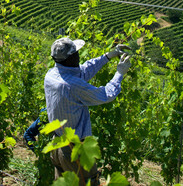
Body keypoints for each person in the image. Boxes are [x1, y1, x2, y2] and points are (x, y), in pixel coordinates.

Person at [44, 37, 131, 185]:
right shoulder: (71, 85)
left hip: (57, 144)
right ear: (70, 58)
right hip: (75, 150)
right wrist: (120, 73)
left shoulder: (51, 75)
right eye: (76, 53)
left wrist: (109, 56)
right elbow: (106, 94)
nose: (79, 55)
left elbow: (83, 71)